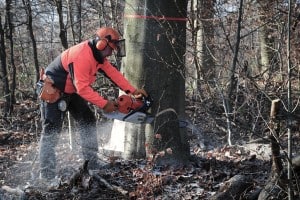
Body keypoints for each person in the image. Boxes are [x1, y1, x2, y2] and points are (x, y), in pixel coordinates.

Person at [37, 27, 147, 180]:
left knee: (87, 120)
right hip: (54, 90)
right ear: (101, 44)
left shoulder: (99, 58)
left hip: (70, 90)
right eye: (110, 49)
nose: (111, 53)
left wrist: (132, 91)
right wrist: (104, 104)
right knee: (51, 131)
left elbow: (113, 74)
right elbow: (82, 88)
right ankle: (47, 175)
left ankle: (92, 163)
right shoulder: (82, 55)